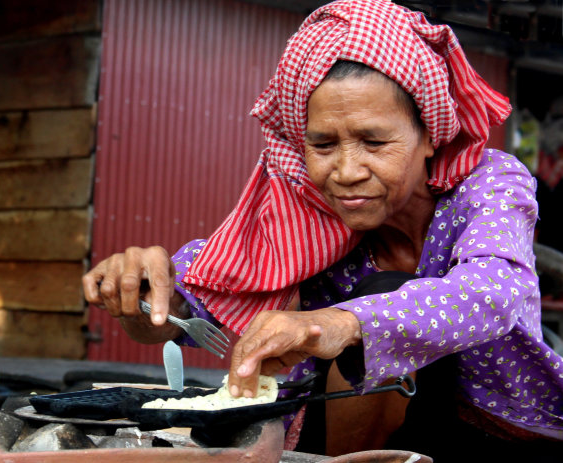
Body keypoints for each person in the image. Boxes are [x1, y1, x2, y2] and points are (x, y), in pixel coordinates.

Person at [83, 0, 563, 460]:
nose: (347, 171)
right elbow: (189, 302)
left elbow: (494, 292)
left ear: (430, 136)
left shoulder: (489, 184)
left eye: (374, 141)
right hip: (337, 437)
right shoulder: (302, 214)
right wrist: (143, 295)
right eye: (323, 144)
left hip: (488, 434)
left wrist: (338, 322)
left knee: (387, 289)